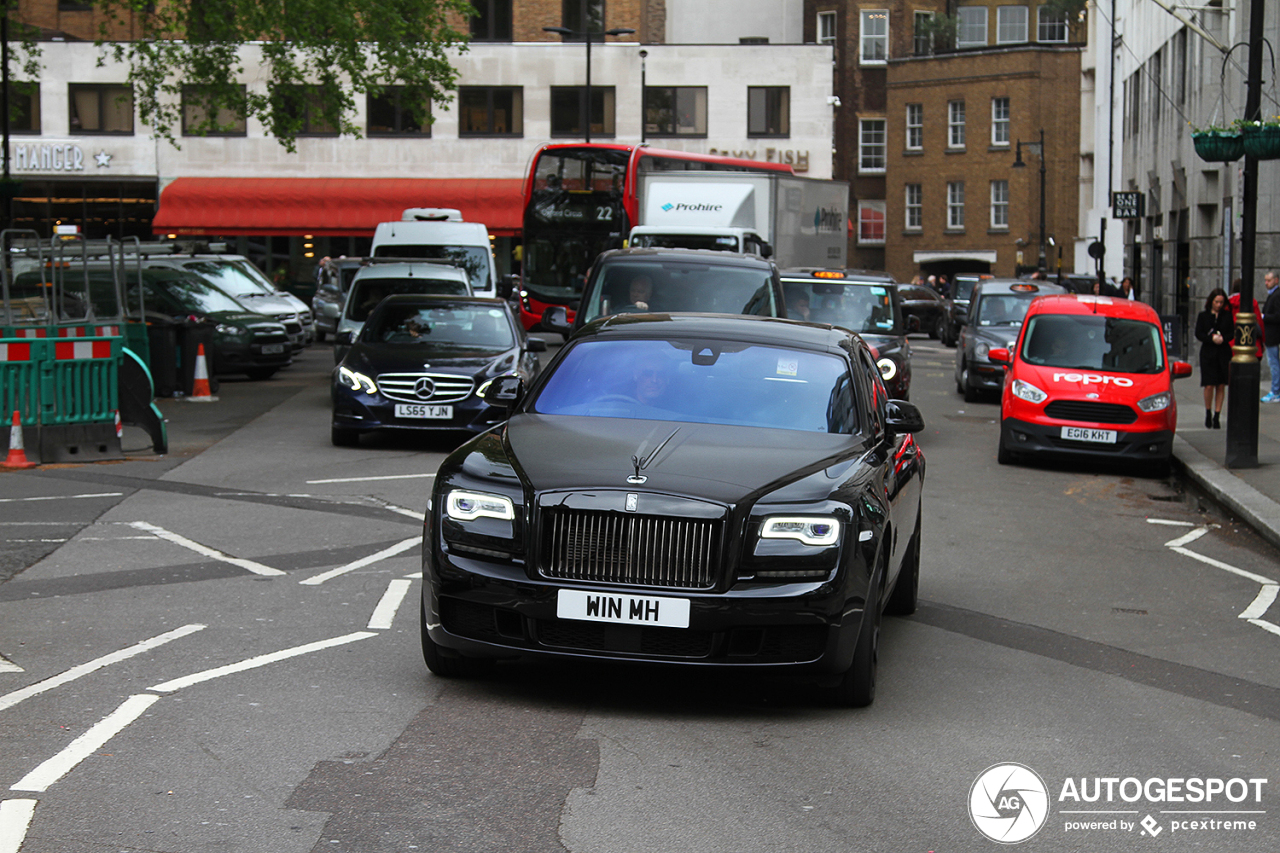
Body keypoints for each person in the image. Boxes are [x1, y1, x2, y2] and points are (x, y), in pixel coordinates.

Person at [1195, 287, 1233, 428]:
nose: (1219, 305)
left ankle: (1217, 415)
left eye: (1221, 302)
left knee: (1221, 384)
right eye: (1216, 302)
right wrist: (1211, 338)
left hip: (1222, 352)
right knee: (1209, 384)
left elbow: (1231, 333)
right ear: (1211, 301)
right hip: (1208, 353)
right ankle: (1208, 411)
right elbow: (1199, 333)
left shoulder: (1227, 316)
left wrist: (1223, 338)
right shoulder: (1203, 316)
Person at [1228, 277, 1264, 361]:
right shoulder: (1252, 302)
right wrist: (1263, 342)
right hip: (1252, 344)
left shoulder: (1228, 303)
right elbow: (1259, 323)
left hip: (1232, 344)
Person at [1262, 270, 1280, 403]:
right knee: (1273, 363)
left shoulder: (1277, 295)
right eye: (1265, 280)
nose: (1266, 283)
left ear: (1276, 280)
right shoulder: (1272, 295)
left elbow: (1278, 316)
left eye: (1268, 280)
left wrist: (1264, 317)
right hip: (1271, 335)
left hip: (1274, 336)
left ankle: (1275, 391)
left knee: (1274, 364)